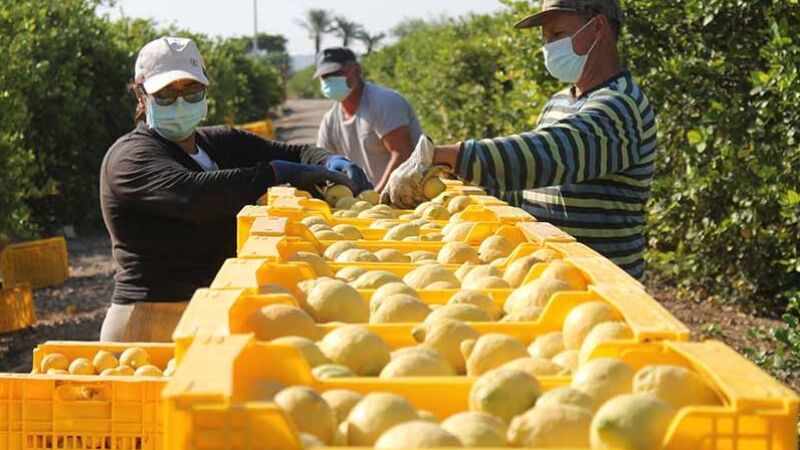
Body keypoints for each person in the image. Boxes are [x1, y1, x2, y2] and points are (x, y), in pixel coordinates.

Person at [99, 37, 367, 342]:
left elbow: (295, 153)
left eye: (191, 91)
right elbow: (193, 197)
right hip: (149, 318)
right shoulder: (131, 157)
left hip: (205, 310)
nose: (181, 102)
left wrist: (328, 160)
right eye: (166, 95)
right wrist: (274, 174)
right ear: (141, 93)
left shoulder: (216, 143)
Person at [383, 0, 656, 281]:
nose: (549, 47)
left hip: (601, 285)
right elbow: (529, 185)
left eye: (557, 34)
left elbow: (549, 155)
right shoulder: (559, 102)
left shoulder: (621, 105)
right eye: (545, 38)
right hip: (553, 279)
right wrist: (466, 179)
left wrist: (449, 155)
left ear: (598, 27)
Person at [315, 47, 424, 193]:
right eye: (325, 76)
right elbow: (323, 162)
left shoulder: (384, 102)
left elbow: (402, 154)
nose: (330, 80)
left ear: (356, 69)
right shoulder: (330, 121)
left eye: (336, 73)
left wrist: (376, 196)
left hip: (406, 195)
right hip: (365, 201)